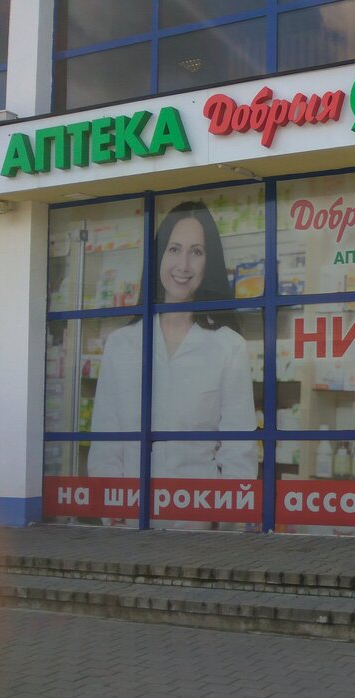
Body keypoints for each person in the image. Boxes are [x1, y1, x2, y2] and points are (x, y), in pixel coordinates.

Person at [89, 201, 258, 525]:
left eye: (196, 252)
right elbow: (106, 445)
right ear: (159, 256)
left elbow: (239, 452)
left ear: (209, 261)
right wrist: (112, 511)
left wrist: (222, 523)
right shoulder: (121, 345)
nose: (183, 264)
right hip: (130, 523)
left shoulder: (228, 346)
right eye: (174, 249)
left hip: (198, 526)